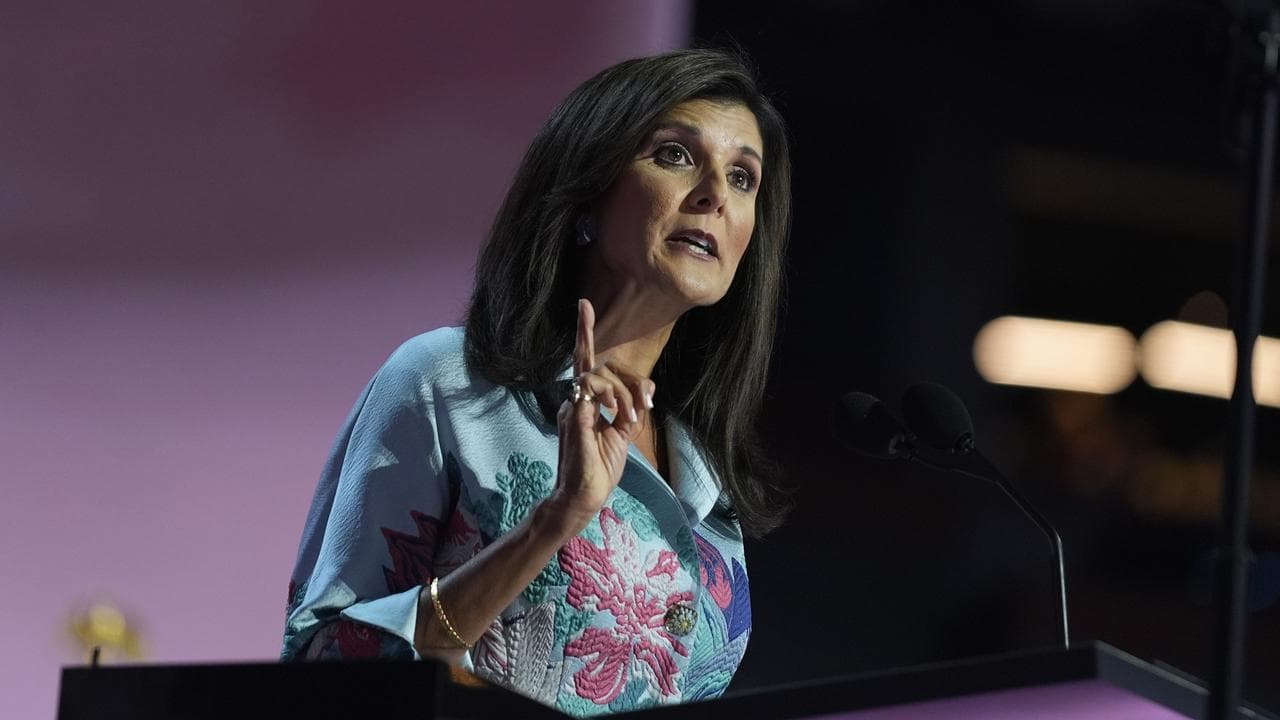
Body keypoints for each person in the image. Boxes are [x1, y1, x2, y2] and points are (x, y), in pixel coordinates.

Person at [281, 48, 792, 716]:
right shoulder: (448, 384)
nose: (715, 196)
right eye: (674, 155)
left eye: (743, 178)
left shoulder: (706, 483)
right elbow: (325, 660)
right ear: (588, 191)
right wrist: (554, 520)